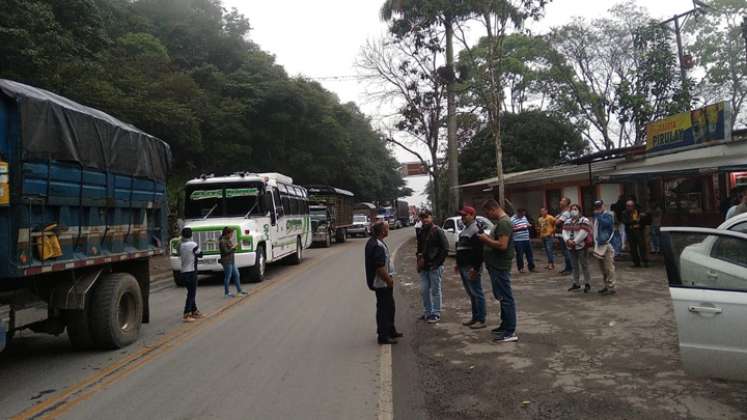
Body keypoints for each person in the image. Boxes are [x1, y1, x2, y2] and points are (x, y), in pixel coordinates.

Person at [479, 199, 518, 343]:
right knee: (501, 297)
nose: (488, 216)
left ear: (493, 209)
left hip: (500, 266)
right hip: (495, 265)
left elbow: (502, 245)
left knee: (506, 298)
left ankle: (510, 331)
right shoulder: (499, 223)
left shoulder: (504, 223)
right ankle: (505, 325)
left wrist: (485, 239)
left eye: (487, 212)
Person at [365, 221, 402, 345]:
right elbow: (379, 268)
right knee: (384, 309)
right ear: (383, 231)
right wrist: (389, 280)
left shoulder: (376, 242)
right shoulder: (377, 245)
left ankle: (390, 330)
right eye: (387, 228)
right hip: (381, 283)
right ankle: (383, 336)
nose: (388, 230)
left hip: (383, 282)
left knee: (390, 306)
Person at [455, 206, 487, 330]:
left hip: (471, 267)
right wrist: (458, 263)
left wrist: (475, 268)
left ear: (473, 215)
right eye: (462, 215)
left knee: (477, 293)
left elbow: (479, 252)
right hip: (464, 266)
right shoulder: (466, 229)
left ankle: (481, 319)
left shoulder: (476, 230)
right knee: (472, 293)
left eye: (465, 215)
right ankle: (475, 317)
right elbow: (462, 249)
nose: (463, 218)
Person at [416, 210, 448, 323]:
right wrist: (418, 262)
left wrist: (437, 264)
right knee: (424, 290)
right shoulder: (421, 231)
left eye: (426, 217)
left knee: (435, 290)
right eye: (422, 218)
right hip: (424, 267)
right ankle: (427, 312)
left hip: (435, 267)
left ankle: (436, 313)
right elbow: (419, 249)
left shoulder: (438, 231)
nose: (424, 220)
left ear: (431, 217)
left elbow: (445, 249)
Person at [563, 204, 593, 293]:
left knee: (584, 265)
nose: (573, 211)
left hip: (581, 246)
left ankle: (587, 283)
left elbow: (583, 232)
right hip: (570, 247)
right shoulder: (567, 221)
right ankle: (576, 283)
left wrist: (575, 241)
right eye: (572, 209)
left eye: (575, 209)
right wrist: (567, 240)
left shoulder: (584, 220)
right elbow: (564, 231)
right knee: (574, 266)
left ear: (579, 210)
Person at [592, 200, 617, 295]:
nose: (598, 208)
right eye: (596, 207)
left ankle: (611, 287)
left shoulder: (608, 215)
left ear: (603, 206)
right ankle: (606, 285)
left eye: (599, 206)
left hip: (607, 244)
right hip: (598, 244)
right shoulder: (596, 216)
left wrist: (598, 216)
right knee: (602, 268)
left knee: (609, 267)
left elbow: (607, 224)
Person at [179, 228, 204, 322]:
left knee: (190, 292)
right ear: (191, 235)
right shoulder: (193, 244)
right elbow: (200, 254)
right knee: (191, 294)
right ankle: (186, 314)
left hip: (183, 271)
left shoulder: (181, 245)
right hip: (191, 271)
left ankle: (194, 311)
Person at [219, 227, 247, 297]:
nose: (231, 235)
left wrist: (234, 247)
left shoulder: (228, 240)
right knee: (228, 277)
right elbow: (226, 252)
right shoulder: (222, 241)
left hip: (231, 261)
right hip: (226, 261)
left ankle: (239, 290)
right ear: (227, 233)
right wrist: (234, 248)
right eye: (231, 234)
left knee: (237, 274)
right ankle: (226, 293)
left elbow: (231, 249)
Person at [622, 200, 649, 267]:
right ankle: (636, 262)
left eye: (631, 206)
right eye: (628, 206)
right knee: (633, 248)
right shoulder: (624, 213)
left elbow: (645, 220)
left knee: (642, 246)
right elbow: (625, 221)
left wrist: (643, 219)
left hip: (639, 231)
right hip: (630, 231)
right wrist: (634, 221)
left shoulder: (638, 211)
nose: (629, 207)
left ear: (633, 206)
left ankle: (645, 261)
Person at [511, 209, 535, 273]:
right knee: (520, 255)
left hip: (526, 239)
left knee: (530, 254)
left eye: (523, 214)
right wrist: (520, 228)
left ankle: (531, 267)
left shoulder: (524, 217)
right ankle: (521, 268)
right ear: (518, 213)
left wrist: (529, 225)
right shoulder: (512, 219)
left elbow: (527, 224)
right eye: (521, 214)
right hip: (518, 240)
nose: (523, 216)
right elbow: (511, 229)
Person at [555, 197, 573, 275]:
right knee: (565, 252)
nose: (560, 202)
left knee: (567, 252)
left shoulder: (566, 213)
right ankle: (567, 267)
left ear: (566, 203)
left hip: (565, 235)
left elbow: (557, 222)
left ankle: (570, 268)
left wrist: (556, 220)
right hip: (560, 234)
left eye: (562, 201)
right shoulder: (562, 212)